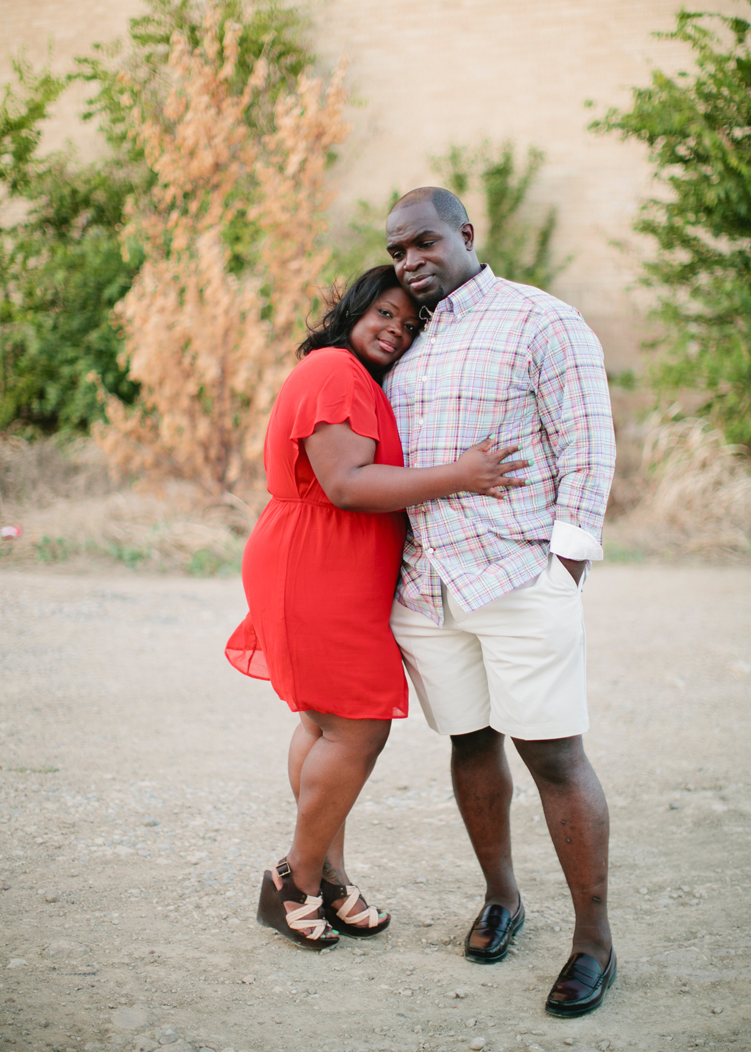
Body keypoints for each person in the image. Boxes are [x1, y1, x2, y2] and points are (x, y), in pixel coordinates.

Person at [225, 265, 528, 951]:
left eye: (410, 322)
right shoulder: (333, 368)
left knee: (325, 720)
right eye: (385, 314)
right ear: (353, 308)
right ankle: (293, 883)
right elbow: (347, 484)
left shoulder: (361, 379)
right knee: (357, 726)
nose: (397, 329)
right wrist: (463, 474)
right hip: (313, 565)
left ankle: (330, 877)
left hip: (334, 568)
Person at [383, 187, 617, 1017]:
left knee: (553, 756)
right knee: (470, 744)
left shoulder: (541, 320)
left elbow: (588, 451)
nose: (409, 261)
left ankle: (593, 941)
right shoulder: (402, 340)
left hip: (519, 579)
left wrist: (563, 573)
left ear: (465, 234)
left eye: (422, 243)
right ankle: (502, 898)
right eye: (397, 252)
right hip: (428, 587)